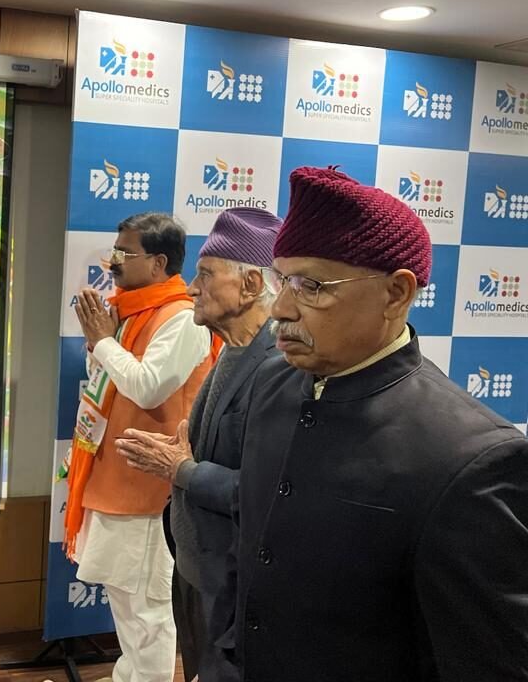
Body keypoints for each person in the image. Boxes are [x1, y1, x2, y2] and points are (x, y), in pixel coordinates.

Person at [234, 166, 528, 680]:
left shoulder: (470, 455)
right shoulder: (271, 384)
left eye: (311, 286)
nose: (280, 308)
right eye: (281, 279)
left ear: (396, 293)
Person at [115, 207, 282, 682]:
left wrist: (182, 469)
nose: (191, 288)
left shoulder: (280, 369)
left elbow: (272, 492)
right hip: (197, 571)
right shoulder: (232, 349)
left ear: (250, 285)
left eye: (206, 275)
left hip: (233, 585)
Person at [63, 212, 215, 682]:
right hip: (114, 477)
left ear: (158, 262)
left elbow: (148, 388)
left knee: (148, 614)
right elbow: (106, 387)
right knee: (125, 605)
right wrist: (102, 346)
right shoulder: (130, 312)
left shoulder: (182, 318)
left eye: (124, 252)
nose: (113, 261)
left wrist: (103, 342)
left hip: (150, 489)